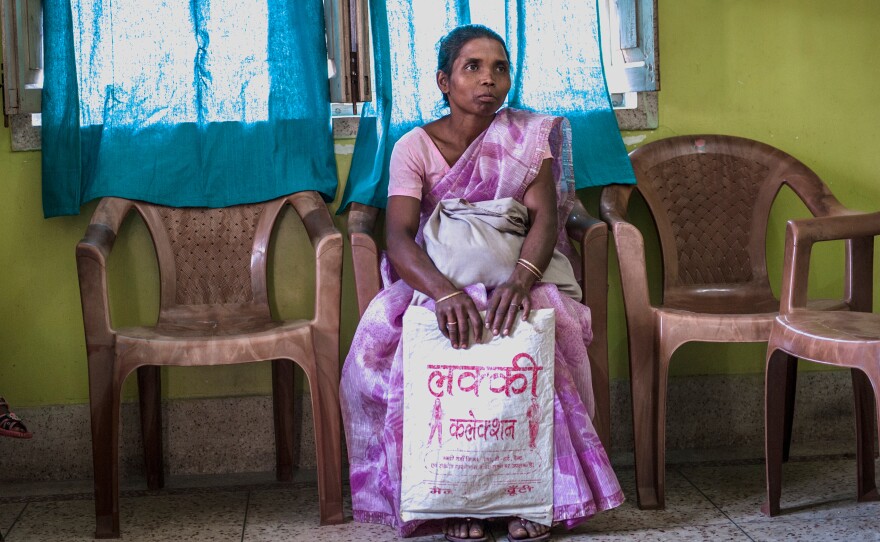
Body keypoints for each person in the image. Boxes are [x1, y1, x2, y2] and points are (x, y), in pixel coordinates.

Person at [340, 24, 623, 542]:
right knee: (417, 338)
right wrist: (444, 293)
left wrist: (521, 282)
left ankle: (538, 497)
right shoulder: (414, 146)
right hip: (438, 280)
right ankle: (456, 498)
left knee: (540, 324)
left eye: (500, 67)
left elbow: (542, 222)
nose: (489, 79)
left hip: (519, 272)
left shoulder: (530, 137)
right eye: (473, 67)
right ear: (444, 81)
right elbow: (400, 238)